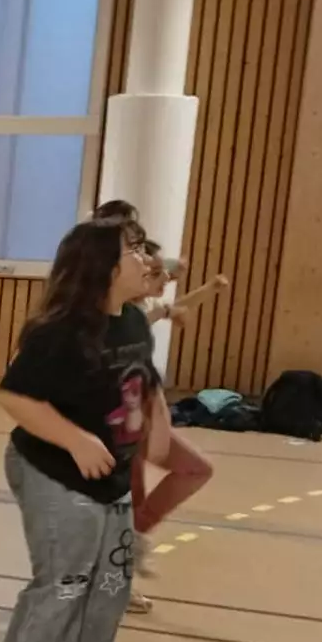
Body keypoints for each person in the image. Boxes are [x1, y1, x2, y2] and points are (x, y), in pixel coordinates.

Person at [0, 219, 151, 642]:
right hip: (53, 472)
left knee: (109, 586)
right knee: (65, 582)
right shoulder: (59, 332)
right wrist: (75, 440)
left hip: (112, 478)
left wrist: (154, 430)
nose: (147, 259)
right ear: (104, 266)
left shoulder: (134, 323)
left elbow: (138, 386)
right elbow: (15, 397)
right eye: (134, 250)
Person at [124, 238, 227, 610]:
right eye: (155, 273)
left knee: (195, 469)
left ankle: (133, 541)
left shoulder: (140, 312)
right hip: (123, 421)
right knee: (126, 501)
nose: (164, 278)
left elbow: (174, 304)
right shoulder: (121, 316)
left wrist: (208, 289)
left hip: (142, 415)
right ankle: (116, 578)